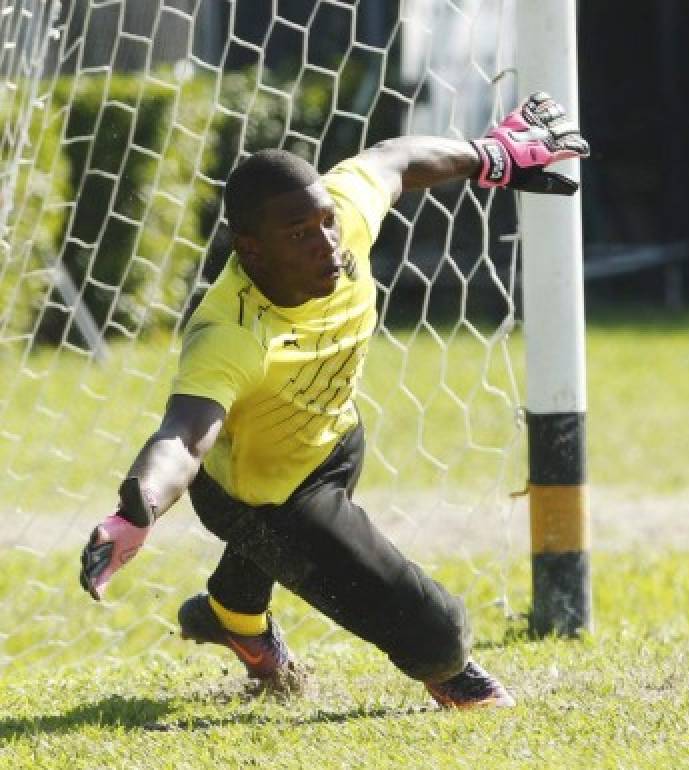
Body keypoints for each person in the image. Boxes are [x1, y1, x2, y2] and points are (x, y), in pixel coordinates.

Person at [78, 92, 589, 709]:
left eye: (324, 220)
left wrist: (486, 156)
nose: (327, 242)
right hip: (262, 501)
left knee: (333, 473)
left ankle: (233, 613)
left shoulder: (340, 216)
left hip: (333, 440)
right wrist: (138, 511)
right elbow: (184, 435)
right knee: (442, 633)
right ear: (251, 249)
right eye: (300, 234)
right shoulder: (230, 333)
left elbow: (395, 160)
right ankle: (439, 668)